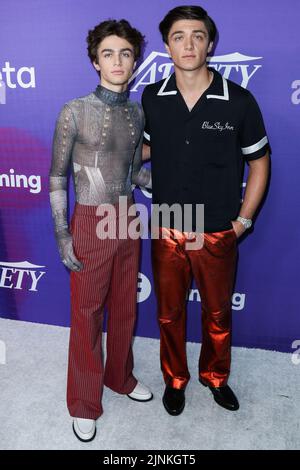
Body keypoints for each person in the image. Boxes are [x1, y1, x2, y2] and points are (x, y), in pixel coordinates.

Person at [142, 5, 270, 415]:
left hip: (216, 228)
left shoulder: (238, 100)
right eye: (179, 36)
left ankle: (215, 377)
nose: (188, 44)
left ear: (210, 43)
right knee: (168, 313)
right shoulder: (152, 96)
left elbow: (260, 161)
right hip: (166, 228)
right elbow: (145, 148)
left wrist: (242, 222)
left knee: (217, 313)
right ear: (167, 46)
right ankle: (174, 380)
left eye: (197, 35)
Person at [49, 19, 152, 442]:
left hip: (127, 217)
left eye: (125, 53)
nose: (117, 61)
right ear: (95, 61)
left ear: (134, 62)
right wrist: (61, 233)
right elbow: (57, 177)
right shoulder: (74, 110)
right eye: (108, 53)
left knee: (126, 307)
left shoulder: (137, 110)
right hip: (90, 220)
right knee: (87, 314)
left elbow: (133, 175)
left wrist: (178, 179)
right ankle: (85, 402)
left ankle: (120, 378)